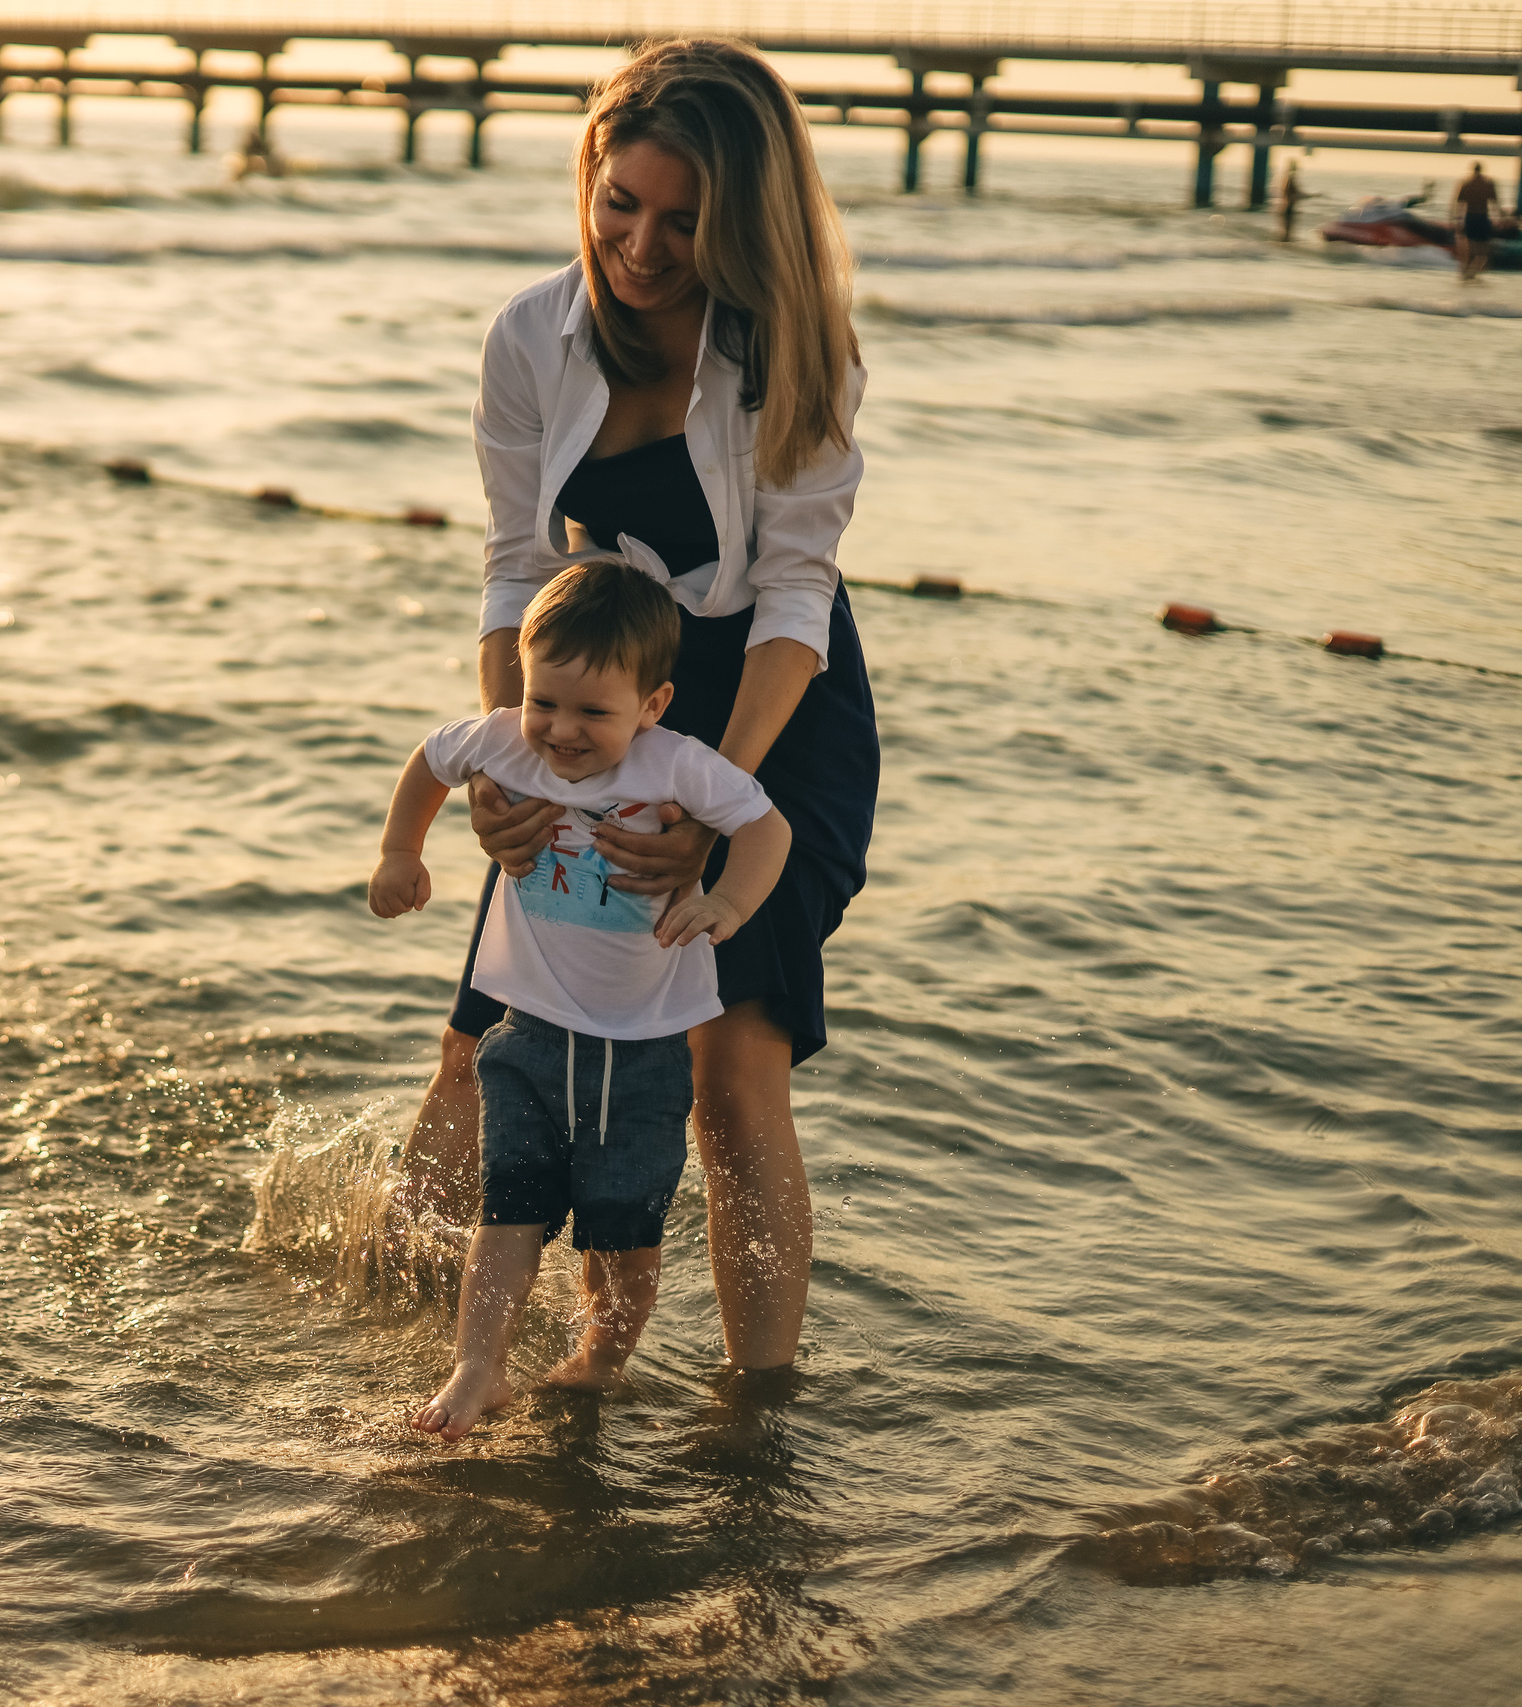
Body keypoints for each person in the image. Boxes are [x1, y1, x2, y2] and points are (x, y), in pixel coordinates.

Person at [393, 37, 877, 1378]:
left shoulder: (798, 357)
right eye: (621, 204)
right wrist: (514, 765)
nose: (642, 248)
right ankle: (417, 1348)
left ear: (744, 220)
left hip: (766, 711)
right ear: (588, 178)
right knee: (486, 1037)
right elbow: (516, 568)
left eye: (684, 220)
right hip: (587, 698)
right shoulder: (528, 337)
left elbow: (795, 598)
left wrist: (707, 803)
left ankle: (754, 1412)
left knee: (729, 1078)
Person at [371, 562, 792, 1442]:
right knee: (509, 1208)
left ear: (652, 704)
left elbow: (767, 827)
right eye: (544, 702)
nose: (560, 730)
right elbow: (431, 760)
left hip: (643, 1052)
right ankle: (478, 1366)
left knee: (624, 1231)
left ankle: (603, 1355)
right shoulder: (504, 741)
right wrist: (401, 852)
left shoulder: (678, 765)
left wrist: (729, 901)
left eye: (592, 712)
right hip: (526, 1033)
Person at [1454, 163, 1501, 280]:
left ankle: (1466, 273)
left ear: (1473, 170)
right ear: (1481, 170)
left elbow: (1459, 204)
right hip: (1482, 217)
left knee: (1470, 248)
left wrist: (1457, 221)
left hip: (1470, 217)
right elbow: (1495, 203)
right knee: (1484, 250)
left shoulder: (1466, 184)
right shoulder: (1488, 184)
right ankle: (1472, 274)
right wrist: (1499, 218)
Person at [1277, 159, 1306, 243]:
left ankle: (1284, 243)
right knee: (1287, 230)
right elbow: (1291, 193)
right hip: (1288, 206)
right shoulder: (1290, 179)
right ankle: (1284, 244)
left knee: (1286, 229)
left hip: (1286, 206)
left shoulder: (1287, 178)